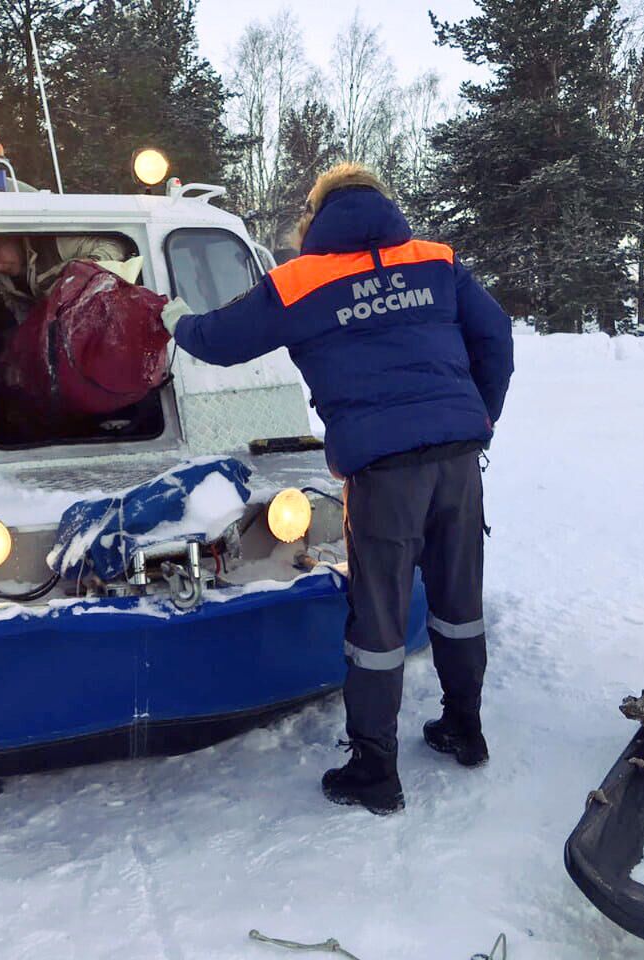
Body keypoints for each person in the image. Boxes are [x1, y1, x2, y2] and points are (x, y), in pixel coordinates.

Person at [161, 163, 514, 814]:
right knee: (459, 601)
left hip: (383, 471)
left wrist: (177, 318)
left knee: (377, 619)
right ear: (384, 202)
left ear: (315, 213)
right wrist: (479, 416)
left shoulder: (302, 279)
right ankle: (465, 731)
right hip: (457, 460)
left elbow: (222, 341)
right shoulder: (436, 261)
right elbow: (496, 336)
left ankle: (375, 772)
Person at [0, 234, 135, 322]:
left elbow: (115, 247)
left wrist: (83, 272)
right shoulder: (6, 282)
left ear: (10, 239)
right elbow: (23, 315)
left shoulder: (55, 243)